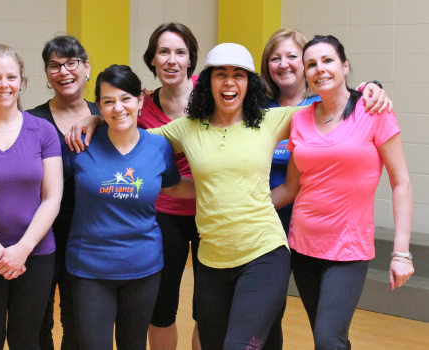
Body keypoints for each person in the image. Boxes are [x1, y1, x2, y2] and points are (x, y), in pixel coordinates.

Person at [65, 44, 391, 349]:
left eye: (238, 74)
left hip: (264, 251)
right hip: (211, 260)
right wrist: (95, 116)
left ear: (249, 83)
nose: (229, 81)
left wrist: (367, 89)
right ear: (208, 81)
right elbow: (132, 136)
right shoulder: (187, 127)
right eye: (221, 73)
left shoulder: (272, 119)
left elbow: (332, 105)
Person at [0, 35, 99, 350]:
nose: (4, 84)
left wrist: (21, 250)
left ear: (22, 81)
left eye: (11, 77)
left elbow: (52, 197)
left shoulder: (41, 131)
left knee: (26, 340)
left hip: (35, 255)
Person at [271, 35, 414, 350]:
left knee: (327, 340)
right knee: (330, 339)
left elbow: (400, 181)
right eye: (311, 64)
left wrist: (401, 252)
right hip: (302, 247)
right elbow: (291, 187)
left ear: (345, 66)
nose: (319, 69)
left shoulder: (373, 110)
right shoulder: (301, 119)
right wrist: (244, 207)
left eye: (327, 61)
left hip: (348, 250)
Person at [64, 64, 195, 350]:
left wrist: (223, 191)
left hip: (143, 269)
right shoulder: (80, 144)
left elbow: (173, 186)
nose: (118, 108)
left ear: (140, 100)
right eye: (108, 101)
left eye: (125, 98)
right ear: (98, 107)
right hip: (90, 270)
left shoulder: (158, 147)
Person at [141, 22, 201, 350]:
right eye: (163, 51)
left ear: (191, 59)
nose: (171, 60)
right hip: (163, 215)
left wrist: (367, 88)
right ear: (152, 59)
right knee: (161, 306)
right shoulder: (141, 106)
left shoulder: (212, 94)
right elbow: (108, 115)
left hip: (211, 213)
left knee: (209, 307)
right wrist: (91, 119)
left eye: (180, 52)